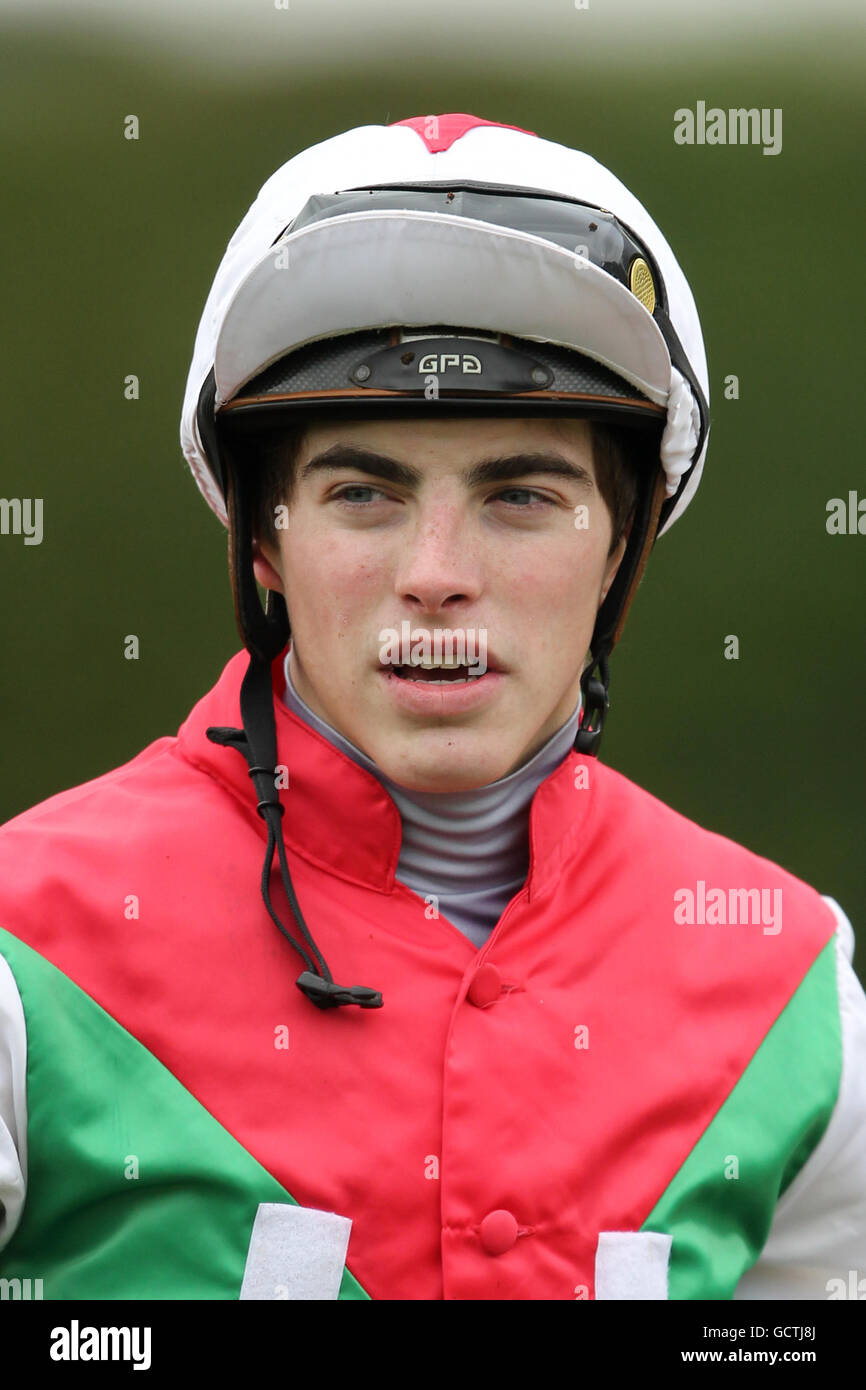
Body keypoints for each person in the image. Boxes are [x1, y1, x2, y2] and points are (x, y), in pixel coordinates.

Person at [0, 112, 864, 1302]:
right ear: (264, 539)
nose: (437, 568)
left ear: (623, 545)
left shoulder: (792, 983)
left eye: (519, 494)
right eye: (362, 491)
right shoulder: (20, 944)